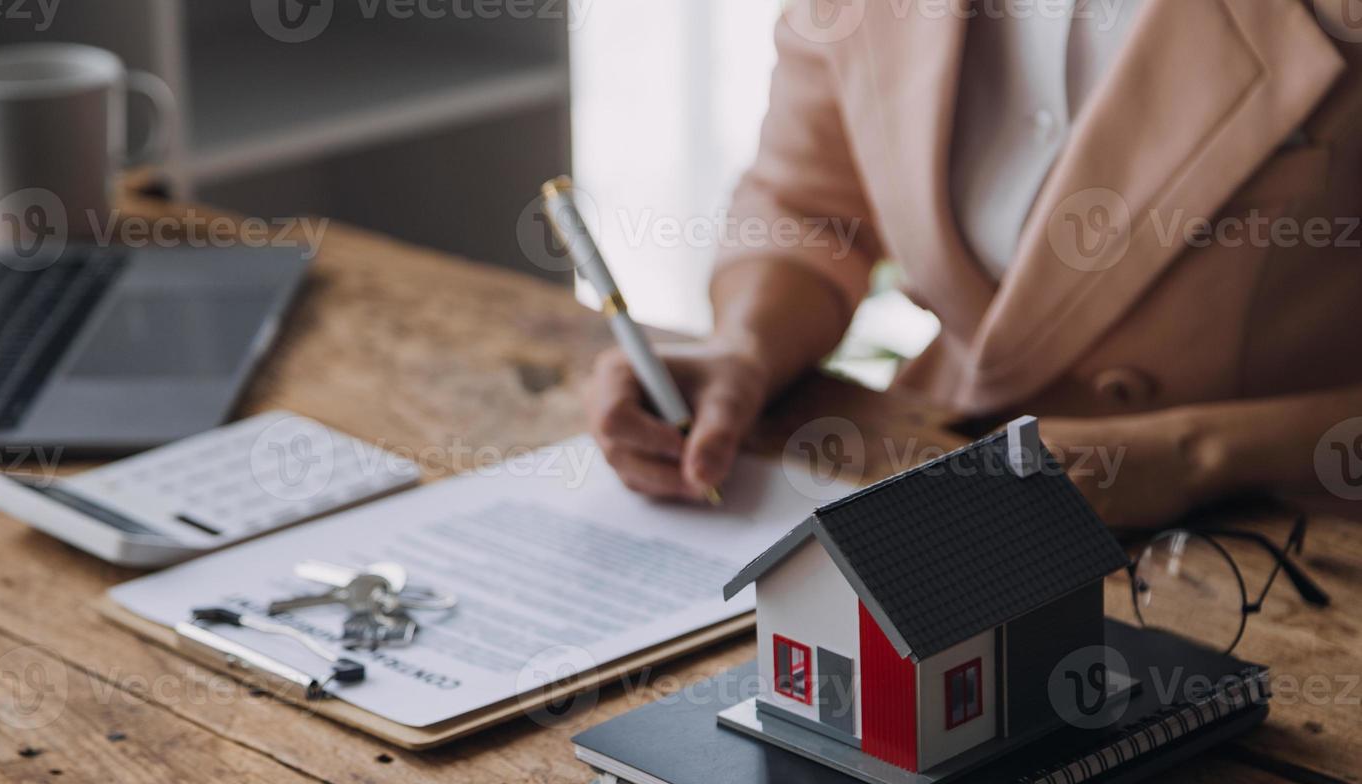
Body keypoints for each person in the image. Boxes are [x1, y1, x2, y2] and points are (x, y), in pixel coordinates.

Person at [584, 0, 1362, 527]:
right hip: (950, 482)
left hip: (1280, 544)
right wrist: (746, 349)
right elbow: (811, 203)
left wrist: (1198, 456)